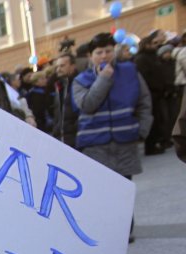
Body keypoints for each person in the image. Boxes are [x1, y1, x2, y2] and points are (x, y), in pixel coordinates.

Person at [72, 32, 152, 242]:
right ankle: (108, 233)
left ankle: (126, 231)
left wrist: (141, 129)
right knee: (102, 193)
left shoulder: (130, 72)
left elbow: (145, 101)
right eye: (99, 52)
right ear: (91, 56)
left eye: (108, 51)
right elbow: (88, 104)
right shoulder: (81, 80)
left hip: (124, 140)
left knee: (124, 190)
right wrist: (103, 79)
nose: (104, 56)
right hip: (95, 144)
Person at [135, 30, 169, 155]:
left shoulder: (153, 56)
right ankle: (151, 146)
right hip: (150, 93)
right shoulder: (141, 59)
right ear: (146, 44)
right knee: (152, 121)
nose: (156, 45)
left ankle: (157, 142)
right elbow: (145, 77)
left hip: (157, 93)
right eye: (153, 43)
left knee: (159, 120)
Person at [51, 53, 79, 147]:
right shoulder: (59, 86)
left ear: (73, 66)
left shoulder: (79, 83)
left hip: (76, 138)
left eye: (62, 66)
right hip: (62, 140)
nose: (58, 69)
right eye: (57, 66)